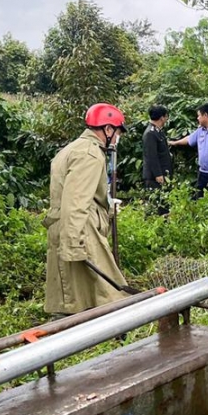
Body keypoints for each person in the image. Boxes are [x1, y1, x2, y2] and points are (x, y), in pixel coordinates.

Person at [44, 103, 129, 317]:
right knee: (107, 291)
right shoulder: (90, 155)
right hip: (81, 228)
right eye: (117, 132)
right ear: (108, 130)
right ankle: (115, 331)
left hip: (68, 226)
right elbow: (76, 202)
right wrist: (74, 243)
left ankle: (73, 331)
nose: (118, 138)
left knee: (72, 293)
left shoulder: (73, 148)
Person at [169, 103, 208, 199]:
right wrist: (175, 143)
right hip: (203, 172)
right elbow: (189, 139)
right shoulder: (200, 130)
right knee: (199, 199)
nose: (197, 118)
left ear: (205, 115)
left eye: (199, 115)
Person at [142, 104, 172, 191]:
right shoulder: (150, 133)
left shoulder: (158, 131)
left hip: (163, 174)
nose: (166, 119)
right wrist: (158, 174)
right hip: (155, 178)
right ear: (162, 117)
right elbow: (151, 156)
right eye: (166, 116)